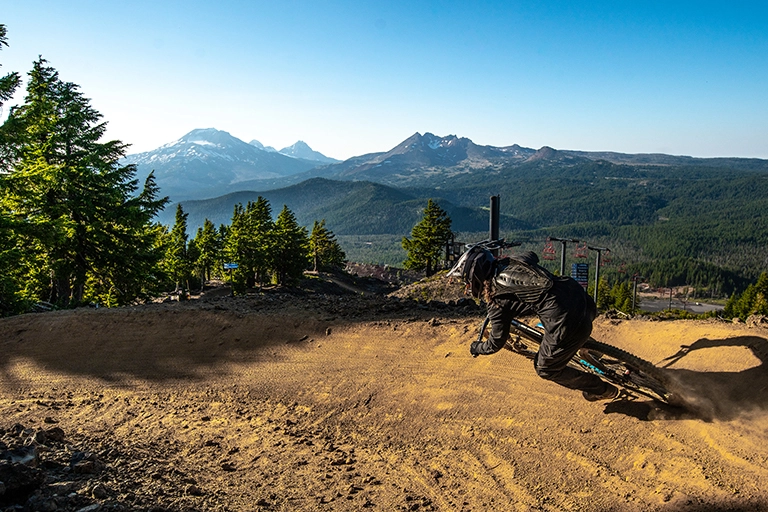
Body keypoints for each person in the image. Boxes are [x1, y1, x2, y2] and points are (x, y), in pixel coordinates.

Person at [449, 246, 619, 402]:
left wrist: (476, 347)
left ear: (476, 277)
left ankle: (602, 389)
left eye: (467, 282)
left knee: (545, 368)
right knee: (562, 326)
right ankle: (592, 352)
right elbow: (533, 255)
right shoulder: (514, 261)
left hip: (564, 319)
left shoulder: (496, 300)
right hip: (579, 297)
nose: (467, 287)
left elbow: (496, 342)